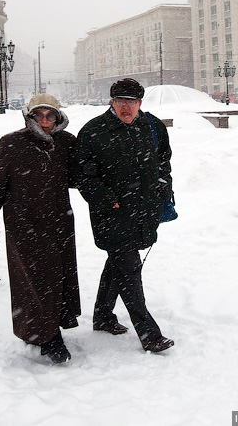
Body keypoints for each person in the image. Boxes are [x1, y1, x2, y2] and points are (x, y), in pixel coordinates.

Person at [73, 78, 175, 353]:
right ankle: (149, 333)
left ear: (140, 103)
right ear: (112, 102)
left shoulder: (150, 126)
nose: (125, 107)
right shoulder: (94, 131)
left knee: (120, 263)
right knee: (129, 268)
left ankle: (103, 316)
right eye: (120, 101)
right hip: (112, 214)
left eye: (131, 102)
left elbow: (163, 160)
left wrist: (162, 188)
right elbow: (82, 175)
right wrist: (106, 198)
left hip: (143, 211)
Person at [0, 94, 81, 364]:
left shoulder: (67, 143)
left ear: (58, 117)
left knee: (58, 276)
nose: (45, 121)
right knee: (35, 280)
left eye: (50, 116)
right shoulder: (12, 142)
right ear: (29, 116)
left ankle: (44, 326)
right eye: (39, 115)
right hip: (24, 223)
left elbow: (80, 177)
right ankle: (47, 336)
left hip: (59, 220)